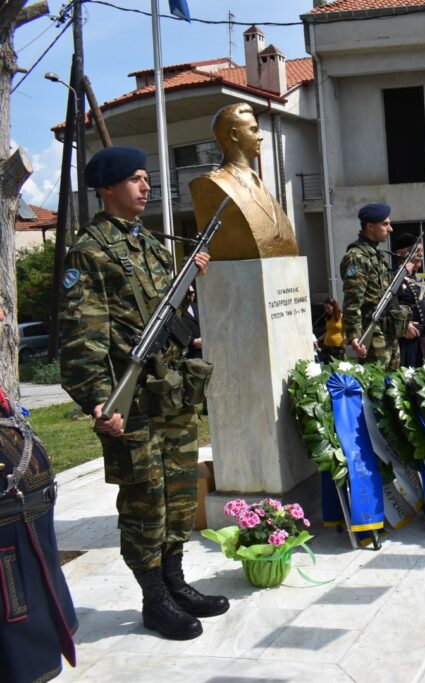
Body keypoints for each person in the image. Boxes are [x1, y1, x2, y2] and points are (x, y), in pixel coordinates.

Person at [60, 146, 228, 640]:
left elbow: (165, 315)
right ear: (107, 188)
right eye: (135, 178)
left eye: (146, 177)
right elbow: (82, 336)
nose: (146, 185)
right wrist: (98, 400)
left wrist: (190, 281)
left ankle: (176, 583)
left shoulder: (151, 243)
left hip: (169, 393)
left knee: (179, 494)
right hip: (129, 402)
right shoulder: (90, 251)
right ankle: (154, 600)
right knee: (145, 502)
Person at [190, 102, 299, 260]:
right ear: (235, 135)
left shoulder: (257, 182)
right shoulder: (212, 184)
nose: (260, 136)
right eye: (253, 130)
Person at [340, 203, 413, 370]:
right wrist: (354, 336)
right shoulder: (357, 257)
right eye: (385, 224)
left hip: (388, 331)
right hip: (372, 334)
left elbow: (383, 290)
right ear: (370, 226)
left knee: (393, 381)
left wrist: (400, 276)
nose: (390, 229)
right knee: (376, 381)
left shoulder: (376, 255)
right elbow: (352, 301)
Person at [393, 233, 425, 367]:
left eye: (421, 251)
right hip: (412, 343)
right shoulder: (394, 279)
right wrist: (403, 324)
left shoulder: (420, 279)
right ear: (403, 253)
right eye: (417, 251)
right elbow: (391, 306)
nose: (421, 255)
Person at [317, 297, 345, 362]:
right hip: (327, 346)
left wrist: (346, 339)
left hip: (338, 347)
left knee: (338, 366)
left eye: (328, 307)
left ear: (334, 306)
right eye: (325, 308)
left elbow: (347, 330)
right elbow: (328, 331)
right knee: (326, 366)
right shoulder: (328, 318)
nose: (326, 310)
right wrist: (318, 339)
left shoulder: (342, 317)